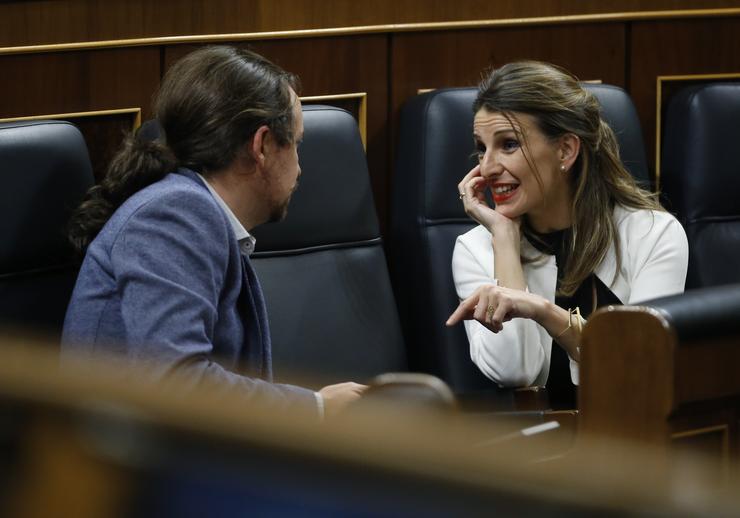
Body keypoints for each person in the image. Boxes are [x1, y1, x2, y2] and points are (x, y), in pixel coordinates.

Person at [61, 45, 366, 419]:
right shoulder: (175, 214)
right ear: (263, 146)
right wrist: (317, 408)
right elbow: (177, 382)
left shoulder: (188, 208)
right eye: (297, 144)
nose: (300, 168)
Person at [445, 61, 688, 409]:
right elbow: (516, 373)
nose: (487, 167)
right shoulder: (476, 248)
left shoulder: (653, 234)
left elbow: (638, 369)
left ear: (565, 150)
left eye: (509, 144)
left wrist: (544, 312)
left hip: (635, 447)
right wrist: (504, 241)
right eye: (482, 147)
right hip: (536, 454)